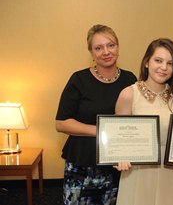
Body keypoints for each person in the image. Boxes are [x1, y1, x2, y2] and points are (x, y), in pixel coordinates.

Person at [55, 24, 137, 205]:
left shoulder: (130, 80)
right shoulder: (79, 79)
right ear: (91, 53)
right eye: (98, 48)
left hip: (117, 165)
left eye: (111, 45)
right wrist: (102, 130)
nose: (106, 52)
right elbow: (61, 123)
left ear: (118, 47)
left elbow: (136, 120)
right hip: (82, 164)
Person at [114, 38, 173, 205]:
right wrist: (120, 158)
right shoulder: (129, 94)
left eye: (170, 63)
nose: (164, 67)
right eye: (158, 60)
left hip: (171, 175)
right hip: (138, 174)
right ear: (146, 62)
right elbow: (119, 141)